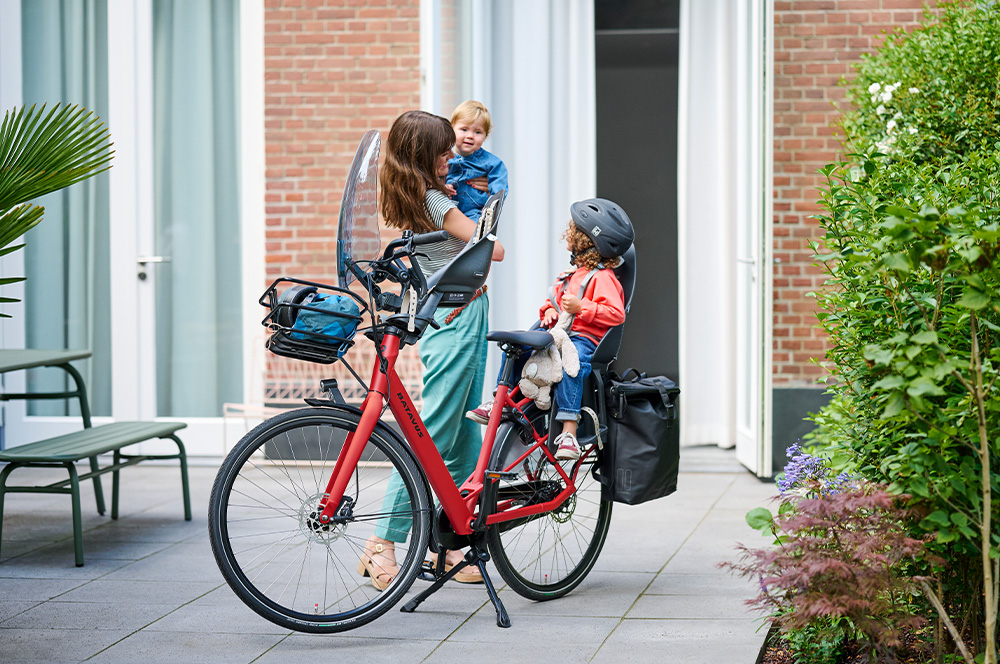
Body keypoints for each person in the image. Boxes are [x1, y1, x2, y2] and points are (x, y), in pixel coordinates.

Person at [357, 110, 505, 591]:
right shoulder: (437, 202)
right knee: (436, 430)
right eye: (443, 150)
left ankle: (446, 545)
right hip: (455, 317)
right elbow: (493, 250)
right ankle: (382, 540)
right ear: (425, 156)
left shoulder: (404, 193)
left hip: (456, 312)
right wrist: (488, 213)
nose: (451, 155)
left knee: (462, 431)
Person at [467, 199, 634, 461]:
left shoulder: (603, 278)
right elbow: (551, 302)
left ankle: (569, 430)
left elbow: (616, 314)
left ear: (587, 241)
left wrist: (583, 307)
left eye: (573, 231)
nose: (567, 234)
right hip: (558, 333)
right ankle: (503, 404)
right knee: (515, 350)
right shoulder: (571, 274)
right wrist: (549, 312)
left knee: (572, 365)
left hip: (583, 339)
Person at [446, 100, 508, 220]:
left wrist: (491, 207)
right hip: (445, 209)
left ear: (486, 135)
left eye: (478, 132)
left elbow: (499, 189)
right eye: (464, 129)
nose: (470, 136)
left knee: (475, 232)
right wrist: (442, 187)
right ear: (452, 128)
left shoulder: (491, 163)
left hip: (473, 211)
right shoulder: (442, 157)